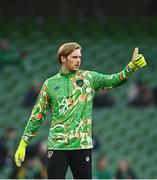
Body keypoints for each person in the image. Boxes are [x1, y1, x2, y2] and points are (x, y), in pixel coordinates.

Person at [14, 43, 147, 179]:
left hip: (82, 145)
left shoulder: (88, 78)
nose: (79, 60)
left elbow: (113, 80)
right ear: (63, 58)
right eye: (74, 57)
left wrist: (131, 67)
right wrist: (23, 143)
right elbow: (37, 115)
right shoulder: (50, 84)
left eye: (80, 57)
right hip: (58, 146)